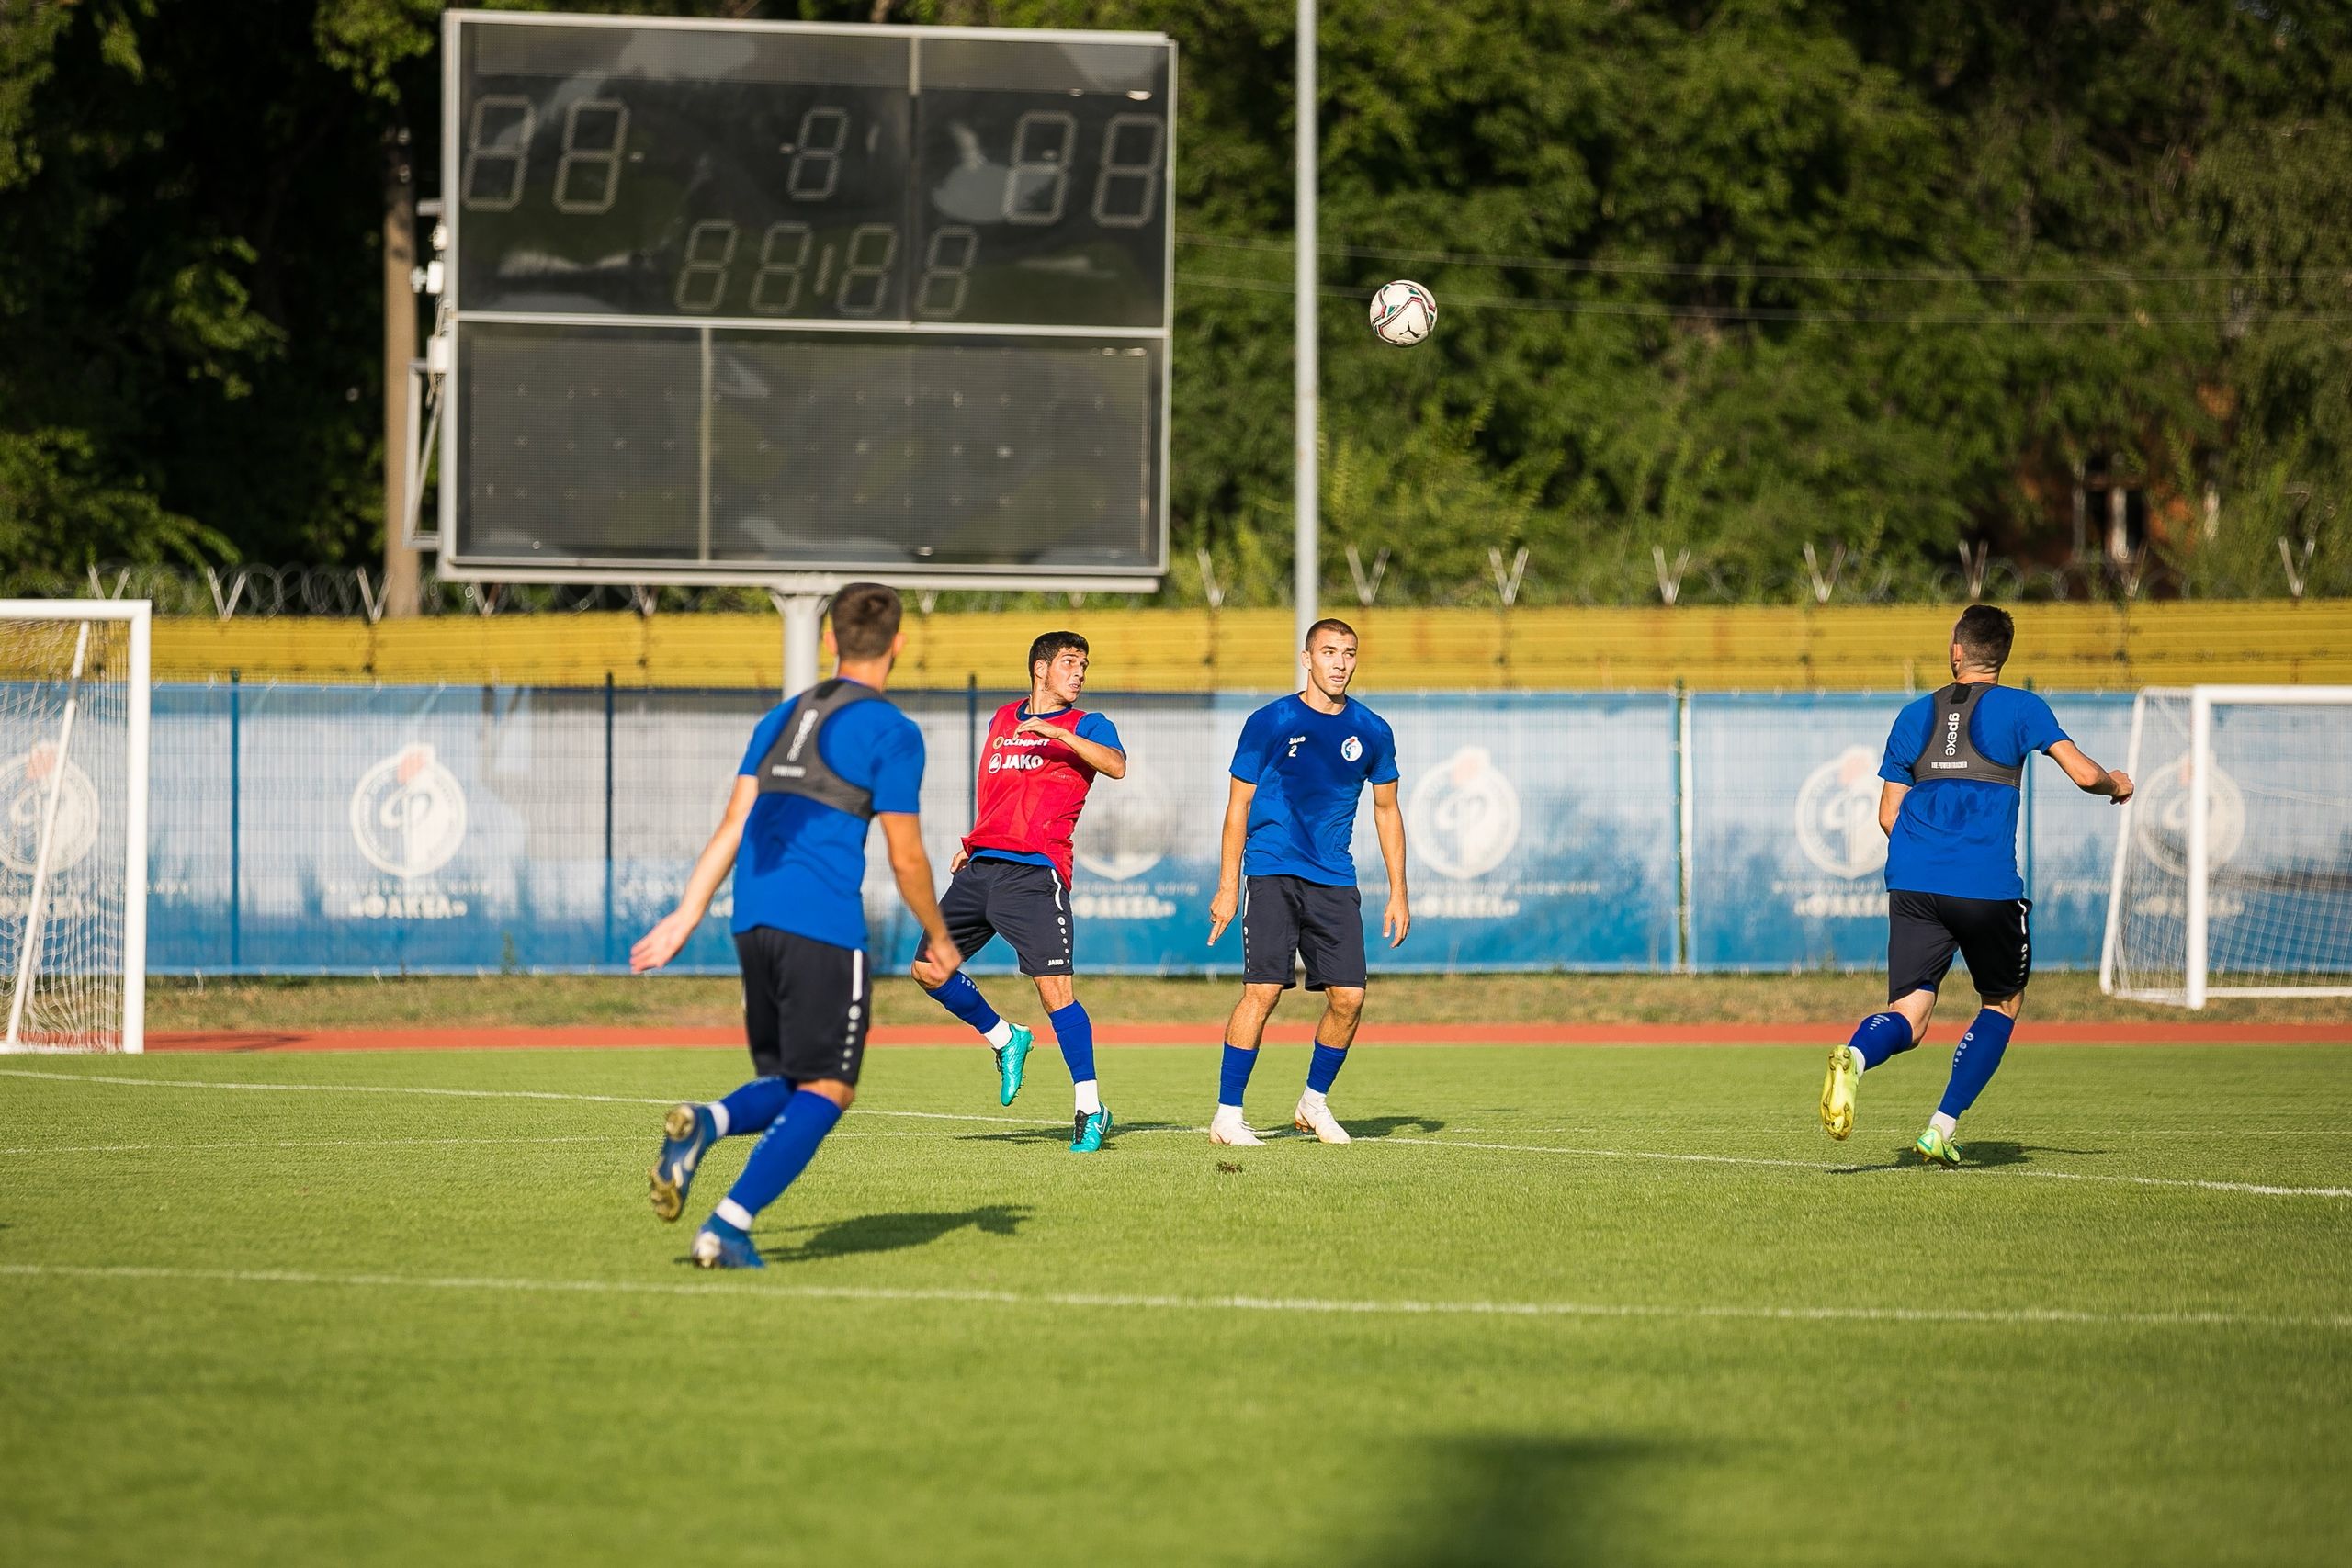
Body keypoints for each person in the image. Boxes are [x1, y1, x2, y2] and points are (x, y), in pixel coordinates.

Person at [636, 583, 962, 1269]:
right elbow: (906, 855)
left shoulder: (780, 717)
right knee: (830, 1086)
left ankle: (708, 1122)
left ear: (829, 640)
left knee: (790, 1078)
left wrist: (685, 915)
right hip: (822, 922)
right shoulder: (893, 731)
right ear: (899, 643)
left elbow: (733, 823)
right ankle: (728, 1223)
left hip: (752, 917)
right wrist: (938, 932)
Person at [1818, 604, 2132, 1165]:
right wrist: (2117, 784)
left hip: (1912, 883)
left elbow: (1888, 816)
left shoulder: (1915, 714)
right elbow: (2085, 774)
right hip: (1985, 887)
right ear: (2001, 658)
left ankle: (1857, 1057)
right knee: (2002, 1001)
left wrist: (1926, 853)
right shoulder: (2023, 707)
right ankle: (1940, 1127)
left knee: (1909, 1018)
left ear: (1956, 652)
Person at [918, 630, 1128, 1152]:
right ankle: (1005, 1039)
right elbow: (998, 788)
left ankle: (1089, 1109)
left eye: (1084, 664)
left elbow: (1118, 766)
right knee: (928, 967)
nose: (1079, 673)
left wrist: (1060, 737)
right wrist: (973, 841)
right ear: (1040, 669)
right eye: (1069, 663)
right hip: (981, 864)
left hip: (1037, 873)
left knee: (1055, 992)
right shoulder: (1002, 718)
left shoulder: (1088, 724)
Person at [1205, 618, 1409, 1145]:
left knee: (1349, 998)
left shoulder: (1373, 730)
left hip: (1334, 879)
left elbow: (1387, 810)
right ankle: (1228, 1116)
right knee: (1263, 991)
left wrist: (1399, 892)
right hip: (1272, 870)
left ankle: (1312, 1104)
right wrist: (1229, 885)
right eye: (1329, 652)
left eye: (1348, 653)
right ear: (1307, 658)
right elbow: (1238, 806)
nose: (1339, 663)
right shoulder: (1269, 721)